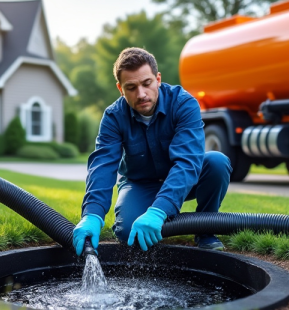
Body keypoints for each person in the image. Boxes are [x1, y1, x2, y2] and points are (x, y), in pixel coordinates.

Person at [72, 47, 232, 256]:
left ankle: (205, 230)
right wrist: (92, 215)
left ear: (157, 78)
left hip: (183, 179)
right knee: (127, 232)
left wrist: (158, 211)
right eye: (131, 87)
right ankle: (160, 218)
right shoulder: (113, 116)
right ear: (120, 88)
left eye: (146, 84)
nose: (141, 94)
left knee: (217, 162)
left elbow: (187, 162)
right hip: (140, 183)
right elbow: (102, 165)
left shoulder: (183, 104)